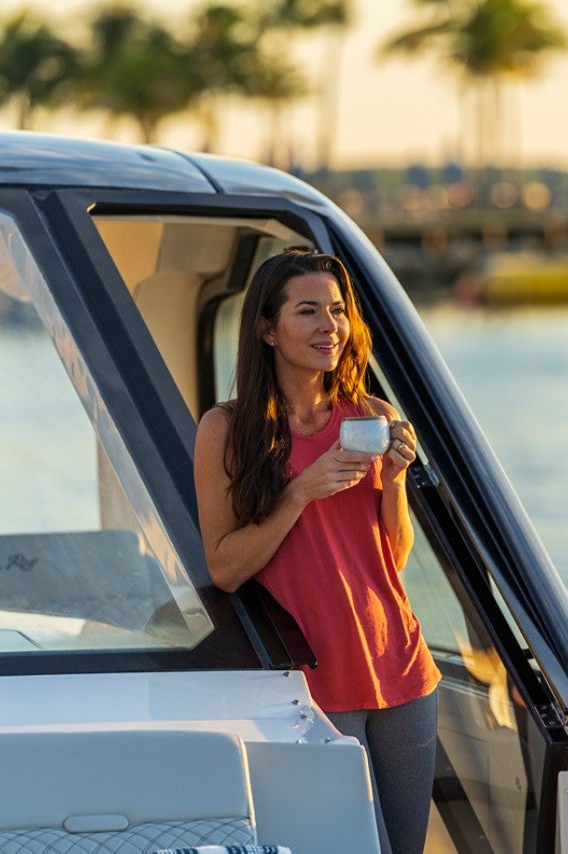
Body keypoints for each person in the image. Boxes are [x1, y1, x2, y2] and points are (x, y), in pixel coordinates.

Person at [193, 248, 441, 854]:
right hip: (311, 688)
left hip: (404, 671)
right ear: (267, 329)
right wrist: (301, 491)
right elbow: (224, 569)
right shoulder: (225, 431)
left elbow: (393, 556)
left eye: (337, 310)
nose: (331, 326)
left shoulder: (372, 417)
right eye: (309, 311)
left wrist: (396, 480)